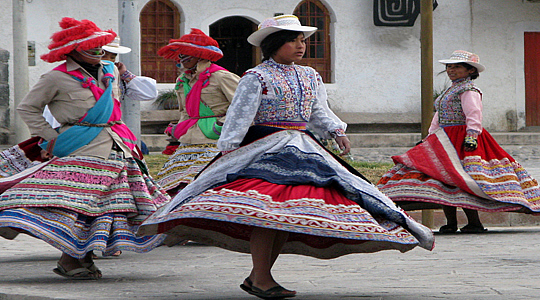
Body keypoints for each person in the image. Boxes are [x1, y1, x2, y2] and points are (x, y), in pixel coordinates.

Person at [138, 15, 434, 299]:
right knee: (268, 212)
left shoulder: (310, 76)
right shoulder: (256, 77)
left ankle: (259, 277)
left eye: (302, 40)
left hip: (304, 148)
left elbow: (318, 111)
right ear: (274, 44)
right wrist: (228, 151)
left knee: (287, 213)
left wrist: (335, 130)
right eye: (293, 40)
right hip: (265, 147)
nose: (301, 45)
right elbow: (239, 117)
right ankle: (261, 277)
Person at [0, 17, 170, 280]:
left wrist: (123, 72)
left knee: (109, 206)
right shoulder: (55, 77)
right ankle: (71, 258)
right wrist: (49, 137)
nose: (99, 53)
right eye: (92, 48)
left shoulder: (110, 71)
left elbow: (139, 93)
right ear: (74, 50)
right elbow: (28, 107)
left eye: (100, 47)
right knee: (79, 204)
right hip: (80, 146)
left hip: (118, 146)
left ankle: (82, 257)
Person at [377, 50, 540, 234]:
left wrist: (471, 136)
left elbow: (473, 114)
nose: (451, 70)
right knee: (443, 178)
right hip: (444, 138)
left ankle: (474, 222)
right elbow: (438, 117)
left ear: (470, 71)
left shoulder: (469, 90)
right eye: (449, 67)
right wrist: (429, 138)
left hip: (462, 138)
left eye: (456, 67)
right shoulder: (451, 90)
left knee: (464, 178)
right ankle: (451, 222)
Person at [153, 29, 240, 195]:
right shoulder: (182, 81)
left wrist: (222, 126)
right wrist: (178, 130)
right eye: (180, 55)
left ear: (200, 55)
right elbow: (185, 111)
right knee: (171, 185)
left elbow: (243, 106)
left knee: (208, 184)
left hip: (217, 140)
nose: (181, 59)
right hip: (189, 139)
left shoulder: (222, 77)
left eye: (186, 54)